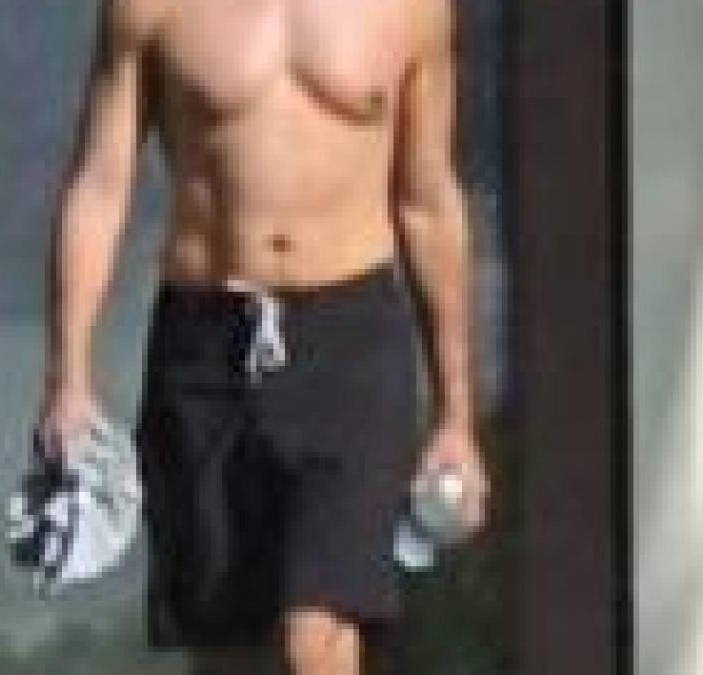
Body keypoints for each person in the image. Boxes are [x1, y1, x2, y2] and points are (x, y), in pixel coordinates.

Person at [35, 0, 492, 672]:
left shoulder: (408, 11)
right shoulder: (150, 10)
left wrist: (456, 413)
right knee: (227, 643)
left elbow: (426, 200)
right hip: (205, 338)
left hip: (349, 339)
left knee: (317, 632)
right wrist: (68, 380)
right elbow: (101, 186)